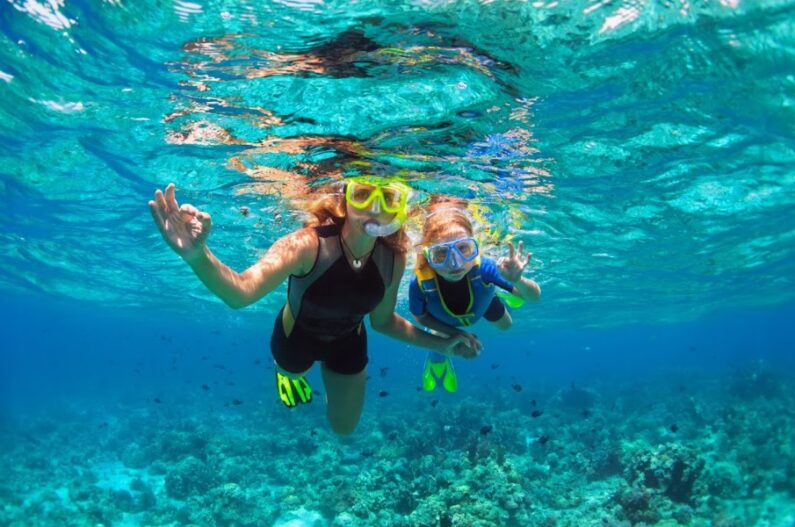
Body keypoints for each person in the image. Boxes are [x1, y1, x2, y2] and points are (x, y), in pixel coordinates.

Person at [149, 178, 478, 435]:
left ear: (397, 209)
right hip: (296, 337)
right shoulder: (307, 244)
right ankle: (286, 374)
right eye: (363, 195)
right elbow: (241, 293)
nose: (374, 209)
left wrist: (444, 344)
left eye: (388, 199)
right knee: (292, 372)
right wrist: (196, 255)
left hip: (349, 341)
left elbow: (383, 322)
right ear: (346, 199)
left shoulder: (394, 257)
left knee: (344, 429)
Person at [409, 201, 541, 393]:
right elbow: (420, 317)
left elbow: (534, 297)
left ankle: (505, 290)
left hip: (483, 303)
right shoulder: (420, 282)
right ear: (427, 255)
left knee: (507, 326)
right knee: (439, 340)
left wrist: (519, 281)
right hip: (443, 320)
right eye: (440, 254)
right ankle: (437, 363)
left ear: (476, 246)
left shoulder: (486, 267)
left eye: (463, 248)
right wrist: (456, 334)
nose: (455, 264)